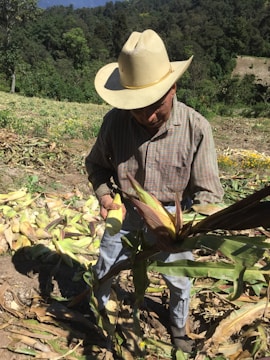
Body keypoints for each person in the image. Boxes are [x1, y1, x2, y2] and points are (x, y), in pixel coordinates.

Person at [85, 29, 224, 352]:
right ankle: (98, 314)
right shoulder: (114, 123)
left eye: (155, 104)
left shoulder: (196, 128)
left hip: (176, 222)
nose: (147, 116)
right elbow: (97, 166)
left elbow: (209, 197)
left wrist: (180, 229)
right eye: (137, 106)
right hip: (129, 213)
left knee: (179, 279)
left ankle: (178, 327)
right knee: (106, 267)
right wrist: (106, 195)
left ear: (172, 88)